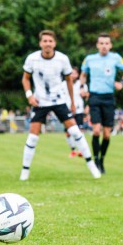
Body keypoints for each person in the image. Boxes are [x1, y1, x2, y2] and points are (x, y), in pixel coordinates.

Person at [19, 30, 101, 181]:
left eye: (50, 41)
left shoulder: (63, 59)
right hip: (40, 101)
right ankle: (25, 171)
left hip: (59, 101)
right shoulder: (32, 59)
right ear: (40, 43)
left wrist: (72, 102)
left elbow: (69, 81)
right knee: (32, 137)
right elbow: (25, 78)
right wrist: (29, 96)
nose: (48, 44)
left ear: (54, 43)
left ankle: (92, 166)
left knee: (76, 132)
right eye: (45, 41)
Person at [80, 33, 123, 174]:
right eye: (101, 43)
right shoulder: (90, 59)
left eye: (107, 43)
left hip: (109, 98)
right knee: (96, 130)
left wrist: (122, 83)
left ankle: (102, 159)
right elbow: (83, 75)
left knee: (107, 134)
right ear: (97, 45)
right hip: (95, 97)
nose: (104, 46)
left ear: (110, 45)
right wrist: (82, 88)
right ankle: (95, 160)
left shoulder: (115, 58)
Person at [63, 66, 87, 158]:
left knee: (80, 131)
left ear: (77, 75)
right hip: (66, 110)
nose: (73, 75)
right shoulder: (63, 84)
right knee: (68, 132)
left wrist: (84, 94)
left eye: (75, 73)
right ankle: (73, 150)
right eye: (71, 73)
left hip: (79, 110)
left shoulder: (82, 85)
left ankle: (81, 150)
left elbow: (86, 95)